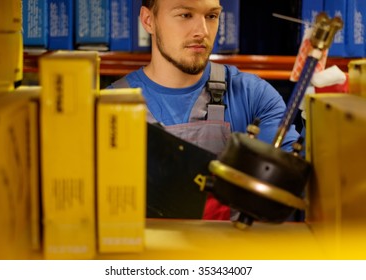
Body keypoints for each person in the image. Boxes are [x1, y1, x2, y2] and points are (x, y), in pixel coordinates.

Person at [108, 0, 301, 220]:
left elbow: (297, 181)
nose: (202, 32)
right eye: (185, 15)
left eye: (211, 16)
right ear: (148, 21)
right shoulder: (109, 107)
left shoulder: (252, 96)